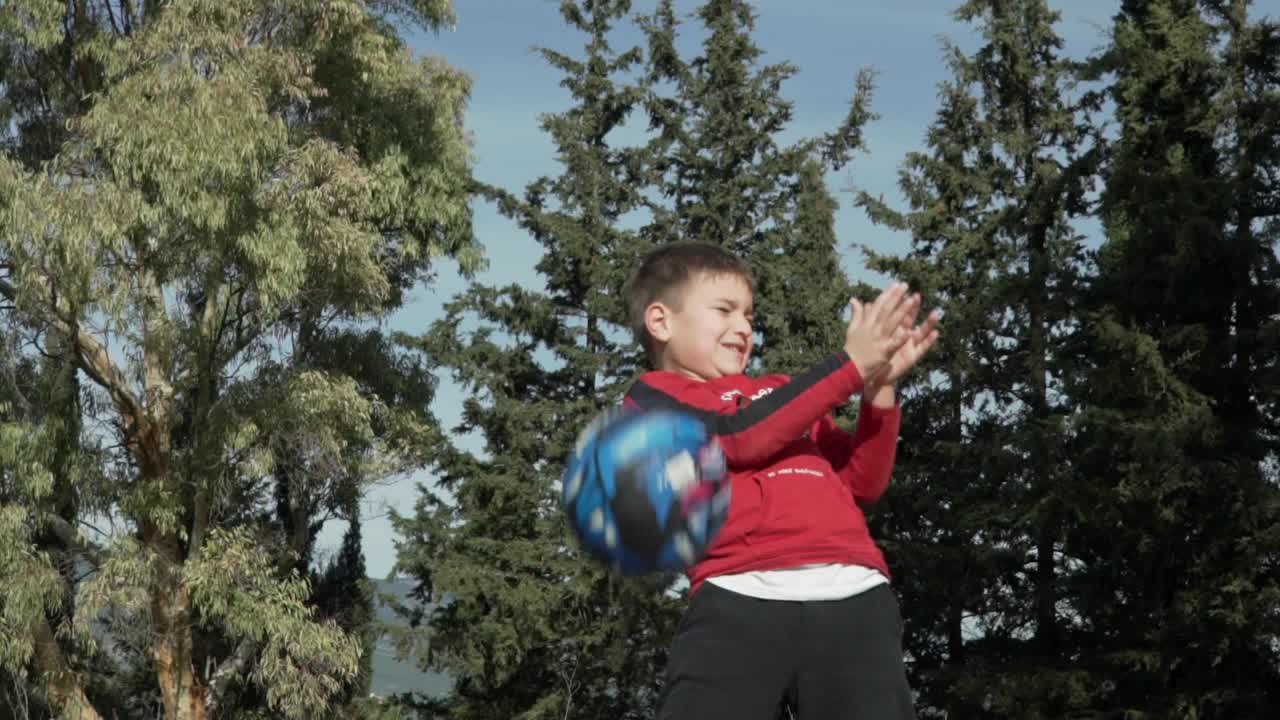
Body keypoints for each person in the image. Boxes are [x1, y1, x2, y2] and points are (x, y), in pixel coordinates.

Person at [622, 242, 939, 720]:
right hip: (737, 597)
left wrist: (879, 390)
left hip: (853, 596)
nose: (744, 326)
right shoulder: (654, 397)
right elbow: (738, 437)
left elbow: (862, 483)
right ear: (662, 322)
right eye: (724, 310)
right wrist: (850, 365)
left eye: (749, 314)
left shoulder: (779, 392)